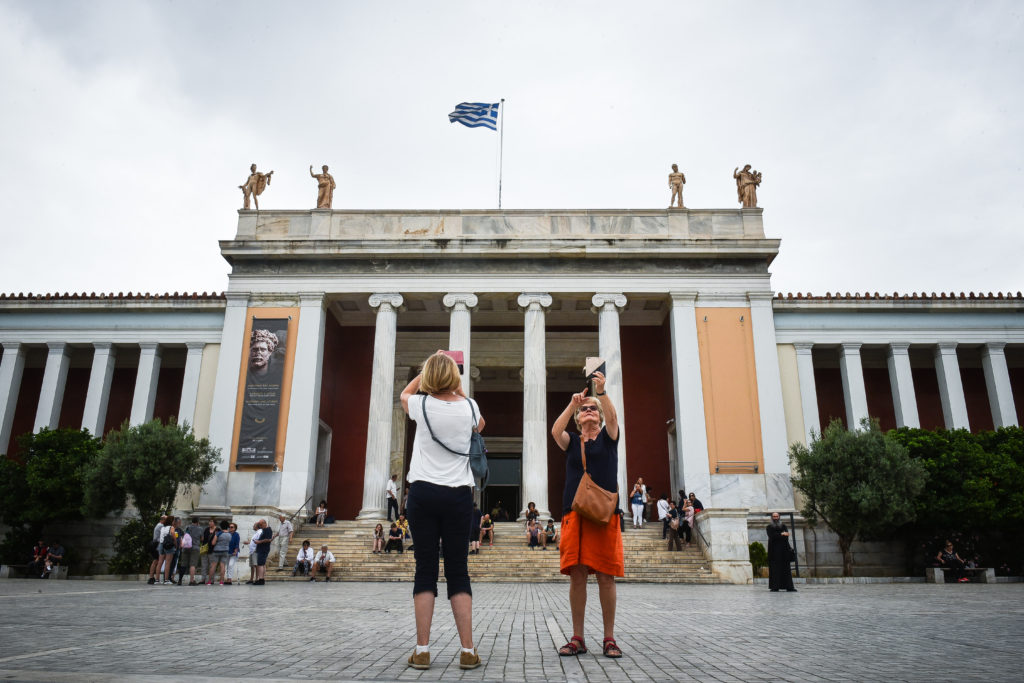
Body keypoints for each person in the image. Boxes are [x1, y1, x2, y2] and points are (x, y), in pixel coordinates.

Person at [400, 351, 483, 671]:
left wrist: (427, 374)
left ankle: (422, 650)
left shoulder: (421, 405)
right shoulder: (470, 408)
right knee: (458, 570)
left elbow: (405, 394)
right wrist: (456, 386)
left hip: (422, 492)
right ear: (456, 378)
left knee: (425, 569)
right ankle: (467, 650)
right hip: (459, 494)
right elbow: (481, 423)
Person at [551, 371, 625, 659]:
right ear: (579, 418)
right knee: (577, 576)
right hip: (575, 515)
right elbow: (556, 432)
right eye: (585, 410)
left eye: (593, 409)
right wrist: (572, 405)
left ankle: (609, 638)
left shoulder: (608, 437)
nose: (589, 412)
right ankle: (577, 637)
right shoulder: (572, 441)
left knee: (606, 577)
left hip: (605, 516)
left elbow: (615, 419)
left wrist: (601, 392)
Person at [766, 512, 797, 592]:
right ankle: (775, 587)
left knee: (786, 569)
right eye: (774, 516)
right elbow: (772, 536)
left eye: (777, 516)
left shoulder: (784, 526)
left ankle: (789, 587)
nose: (775, 518)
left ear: (779, 517)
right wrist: (782, 534)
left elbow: (786, 537)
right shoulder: (769, 527)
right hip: (774, 551)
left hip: (784, 551)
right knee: (775, 569)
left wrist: (781, 535)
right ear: (772, 517)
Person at [206, 520, 231, 585]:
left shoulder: (219, 533)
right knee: (222, 566)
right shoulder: (229, 534)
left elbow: (213, 543)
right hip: (225, 551)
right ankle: (221, 581)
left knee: (213, 566)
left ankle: (209, 581)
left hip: (217, 550)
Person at [181, 518, 203, 586]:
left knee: (183, 564)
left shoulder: (187, 527)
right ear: (198, 522)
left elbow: (184, 536)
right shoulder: (200, 529)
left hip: (186, 547)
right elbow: (202, 538)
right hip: (195, 547)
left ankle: (179, 580)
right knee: (193, 564)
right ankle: (191, 580)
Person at [147, 515, 167, 585]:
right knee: (156, 561)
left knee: (156, 561)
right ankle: (151, 577)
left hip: (155, 544)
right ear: (163, 520)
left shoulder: (159, 525)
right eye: (166, 520)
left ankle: (152, 577)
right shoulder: (161, 526)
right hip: (156, 545)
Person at [253, 518, 273, 585]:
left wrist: (259, 542)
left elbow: (268, 539)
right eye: (259, 525)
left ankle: (261, 579)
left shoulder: (268, 530)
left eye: (261, 524)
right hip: (261, 549)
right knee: (262, 564)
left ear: (265, 523)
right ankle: (261, 578)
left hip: (263, 549)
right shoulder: (264, 530)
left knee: (260, 564)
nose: (260, 526)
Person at [200, 518, 218, 584]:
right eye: (209, 522)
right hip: (205, 549)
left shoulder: (217, 530)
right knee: (204, 565)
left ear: (214, 523)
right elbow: (203, 538)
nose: (210, 523)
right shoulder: (206, 529)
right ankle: (203, 579)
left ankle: (211, 579)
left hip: (213, 550)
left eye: (211, 522)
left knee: (212, 565)